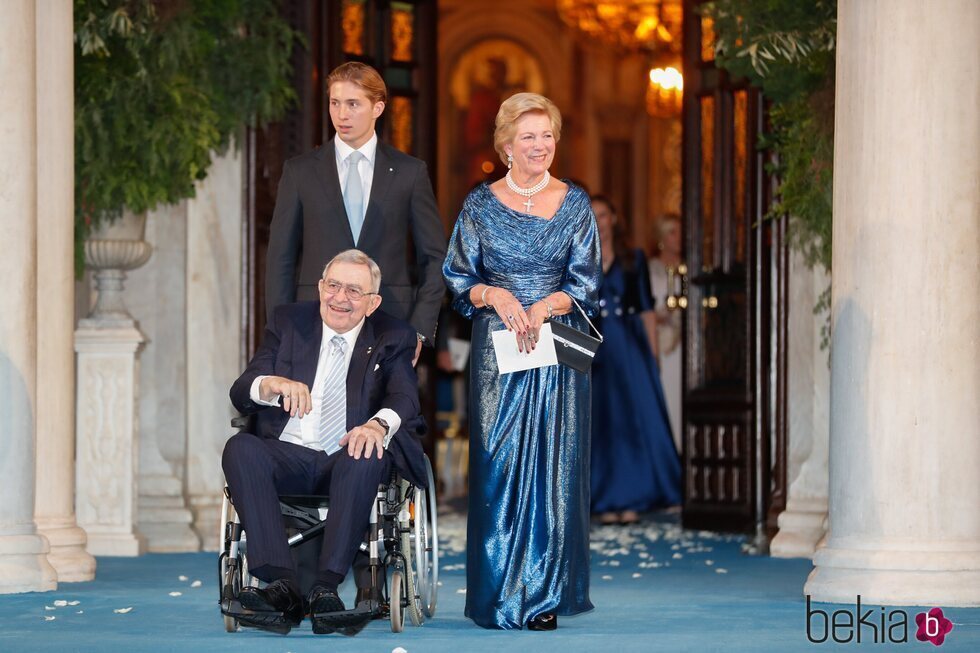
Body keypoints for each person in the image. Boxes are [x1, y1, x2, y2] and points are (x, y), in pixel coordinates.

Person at [443, 92, 600, 631]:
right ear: (506, 145)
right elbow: (458, 278)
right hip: (497, 350)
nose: (540, 145)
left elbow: (586, 285)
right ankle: (499, 592)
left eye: (547, 135)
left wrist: (545, 305)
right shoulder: (479, 205)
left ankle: (544, 597)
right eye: (528, 136)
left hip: (555, 350)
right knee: (500, 467)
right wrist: (498, 297)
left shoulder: (576, 204)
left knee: (556, 469)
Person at [222, 249, 426, 635]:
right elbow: (243, 388)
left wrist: (377, 426)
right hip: (288, 453)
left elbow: (404, 398)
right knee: (240, 448)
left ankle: (325, 589)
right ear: (320, 287)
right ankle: (282, 585)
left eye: (353, 290)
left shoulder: (392, 335)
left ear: (372, 302)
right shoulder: (289, 322)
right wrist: (272, 384)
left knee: (366, 452)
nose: (340, 298)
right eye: (333, 285)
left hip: (346, 455)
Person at [265, 62, 447, 362]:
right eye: (335, 103)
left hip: (390, 321)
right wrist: (279, 331)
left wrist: (418, 330)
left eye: (353, 104)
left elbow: (435, 258)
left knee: (383, 410)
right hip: (312, 323)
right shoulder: (300, 171)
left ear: (378, 108)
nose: (342, 114)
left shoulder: (409, 172)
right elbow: (279, 258)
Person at [589, 196, 681, 525]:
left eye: (603, 214)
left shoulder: (634, 259)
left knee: (632, 424)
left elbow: (646, 311)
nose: (598, 221)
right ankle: (602, 500)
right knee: (601, 426)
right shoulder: (580, 258)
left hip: (629, 348)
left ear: (613, 218)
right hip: (595, 347)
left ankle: (631, 499)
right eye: (593, 215)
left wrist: (653, 356)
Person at [648, 214, 683, 446]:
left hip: (682, 345)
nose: (678, 237)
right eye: (672, 232)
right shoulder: (650, 269)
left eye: (680, 231)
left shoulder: (688, 268)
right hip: (660, 344)